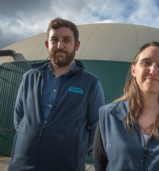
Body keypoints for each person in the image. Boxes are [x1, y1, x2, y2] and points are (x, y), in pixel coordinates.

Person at [8, 18, 105, 171]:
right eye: (54, 40)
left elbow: (97, 126)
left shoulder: (91, 83)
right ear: (47, 45)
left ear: (76, 45)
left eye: (66, 40)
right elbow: (19, 117)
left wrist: (77, 151)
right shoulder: (29, 77)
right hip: (21, 165)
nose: (60, 46)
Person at [93, 41, 159, 171]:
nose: (153, 70)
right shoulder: (108, 116)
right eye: (146, 63)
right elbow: (100, 166)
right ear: (133, 70)